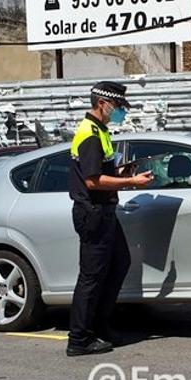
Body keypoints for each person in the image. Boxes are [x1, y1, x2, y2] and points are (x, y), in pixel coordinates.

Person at [66, 81, 152, 357]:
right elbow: (92, 181)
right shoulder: (90, 133)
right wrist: (130, 181)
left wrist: (123, 171)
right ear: (103, 104)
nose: (120, 113)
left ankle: (100, 327)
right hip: (93, 212)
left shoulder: (100, 131)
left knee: (119, 264)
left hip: (104, 212)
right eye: (117, 107)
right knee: (91, 277)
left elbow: (100, 171)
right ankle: (79, 339)